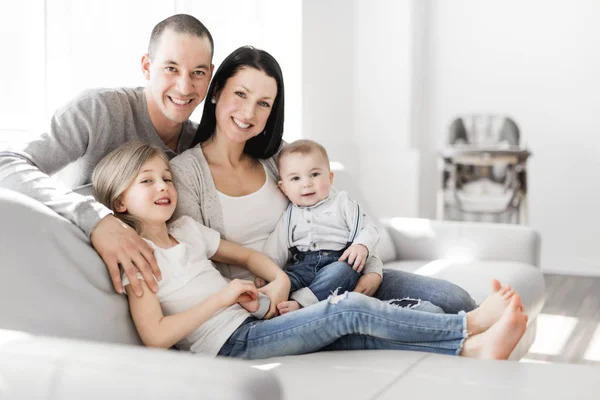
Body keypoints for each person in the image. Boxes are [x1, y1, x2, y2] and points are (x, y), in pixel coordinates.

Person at [92, 141, 528, 360]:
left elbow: (244, 255)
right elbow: (154, 337)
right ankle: (466, 325)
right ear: (119, 203)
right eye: (146, 182)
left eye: (165, 178)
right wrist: (224, 297)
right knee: (346, 309)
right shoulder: (137, 257)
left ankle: (470, 349)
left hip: (254, 316)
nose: (164, 187)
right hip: (229, 344)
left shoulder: (186, 229)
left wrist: (277, 279)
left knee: (357, 335)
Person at [169, 45, 478, 315]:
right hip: (275, 297)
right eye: (240, 94)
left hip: (338, 273)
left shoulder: (280, 157)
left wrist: (373, 271)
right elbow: (197, 261)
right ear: (216, 92)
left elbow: (342, 217)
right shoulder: (186, 172)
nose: (249, 112)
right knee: (431, 313)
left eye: (264, 103)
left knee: (456, 300)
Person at [0, 14, 214, 298]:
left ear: (210, 74)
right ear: (147, 68)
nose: (185, 87)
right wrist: (98, 220)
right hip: (74, 278)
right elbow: (7, 163)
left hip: (156, 297)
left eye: (197, 73)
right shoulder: (99, 110)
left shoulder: (201, 145)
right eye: (171, 69)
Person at [262, 139, 441, 315]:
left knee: (343, 270)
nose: (306, 183)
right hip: (302, 268)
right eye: (295, 178)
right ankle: (264, 304)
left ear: (330, 177)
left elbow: (368, 229)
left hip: (337, 263)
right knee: (285, 280)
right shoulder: (289, 216)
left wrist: (361, 246)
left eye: (315, 174)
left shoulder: (342, 203)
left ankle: (301, 304)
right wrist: (265, 275)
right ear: (283, 188)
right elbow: (275, 249)